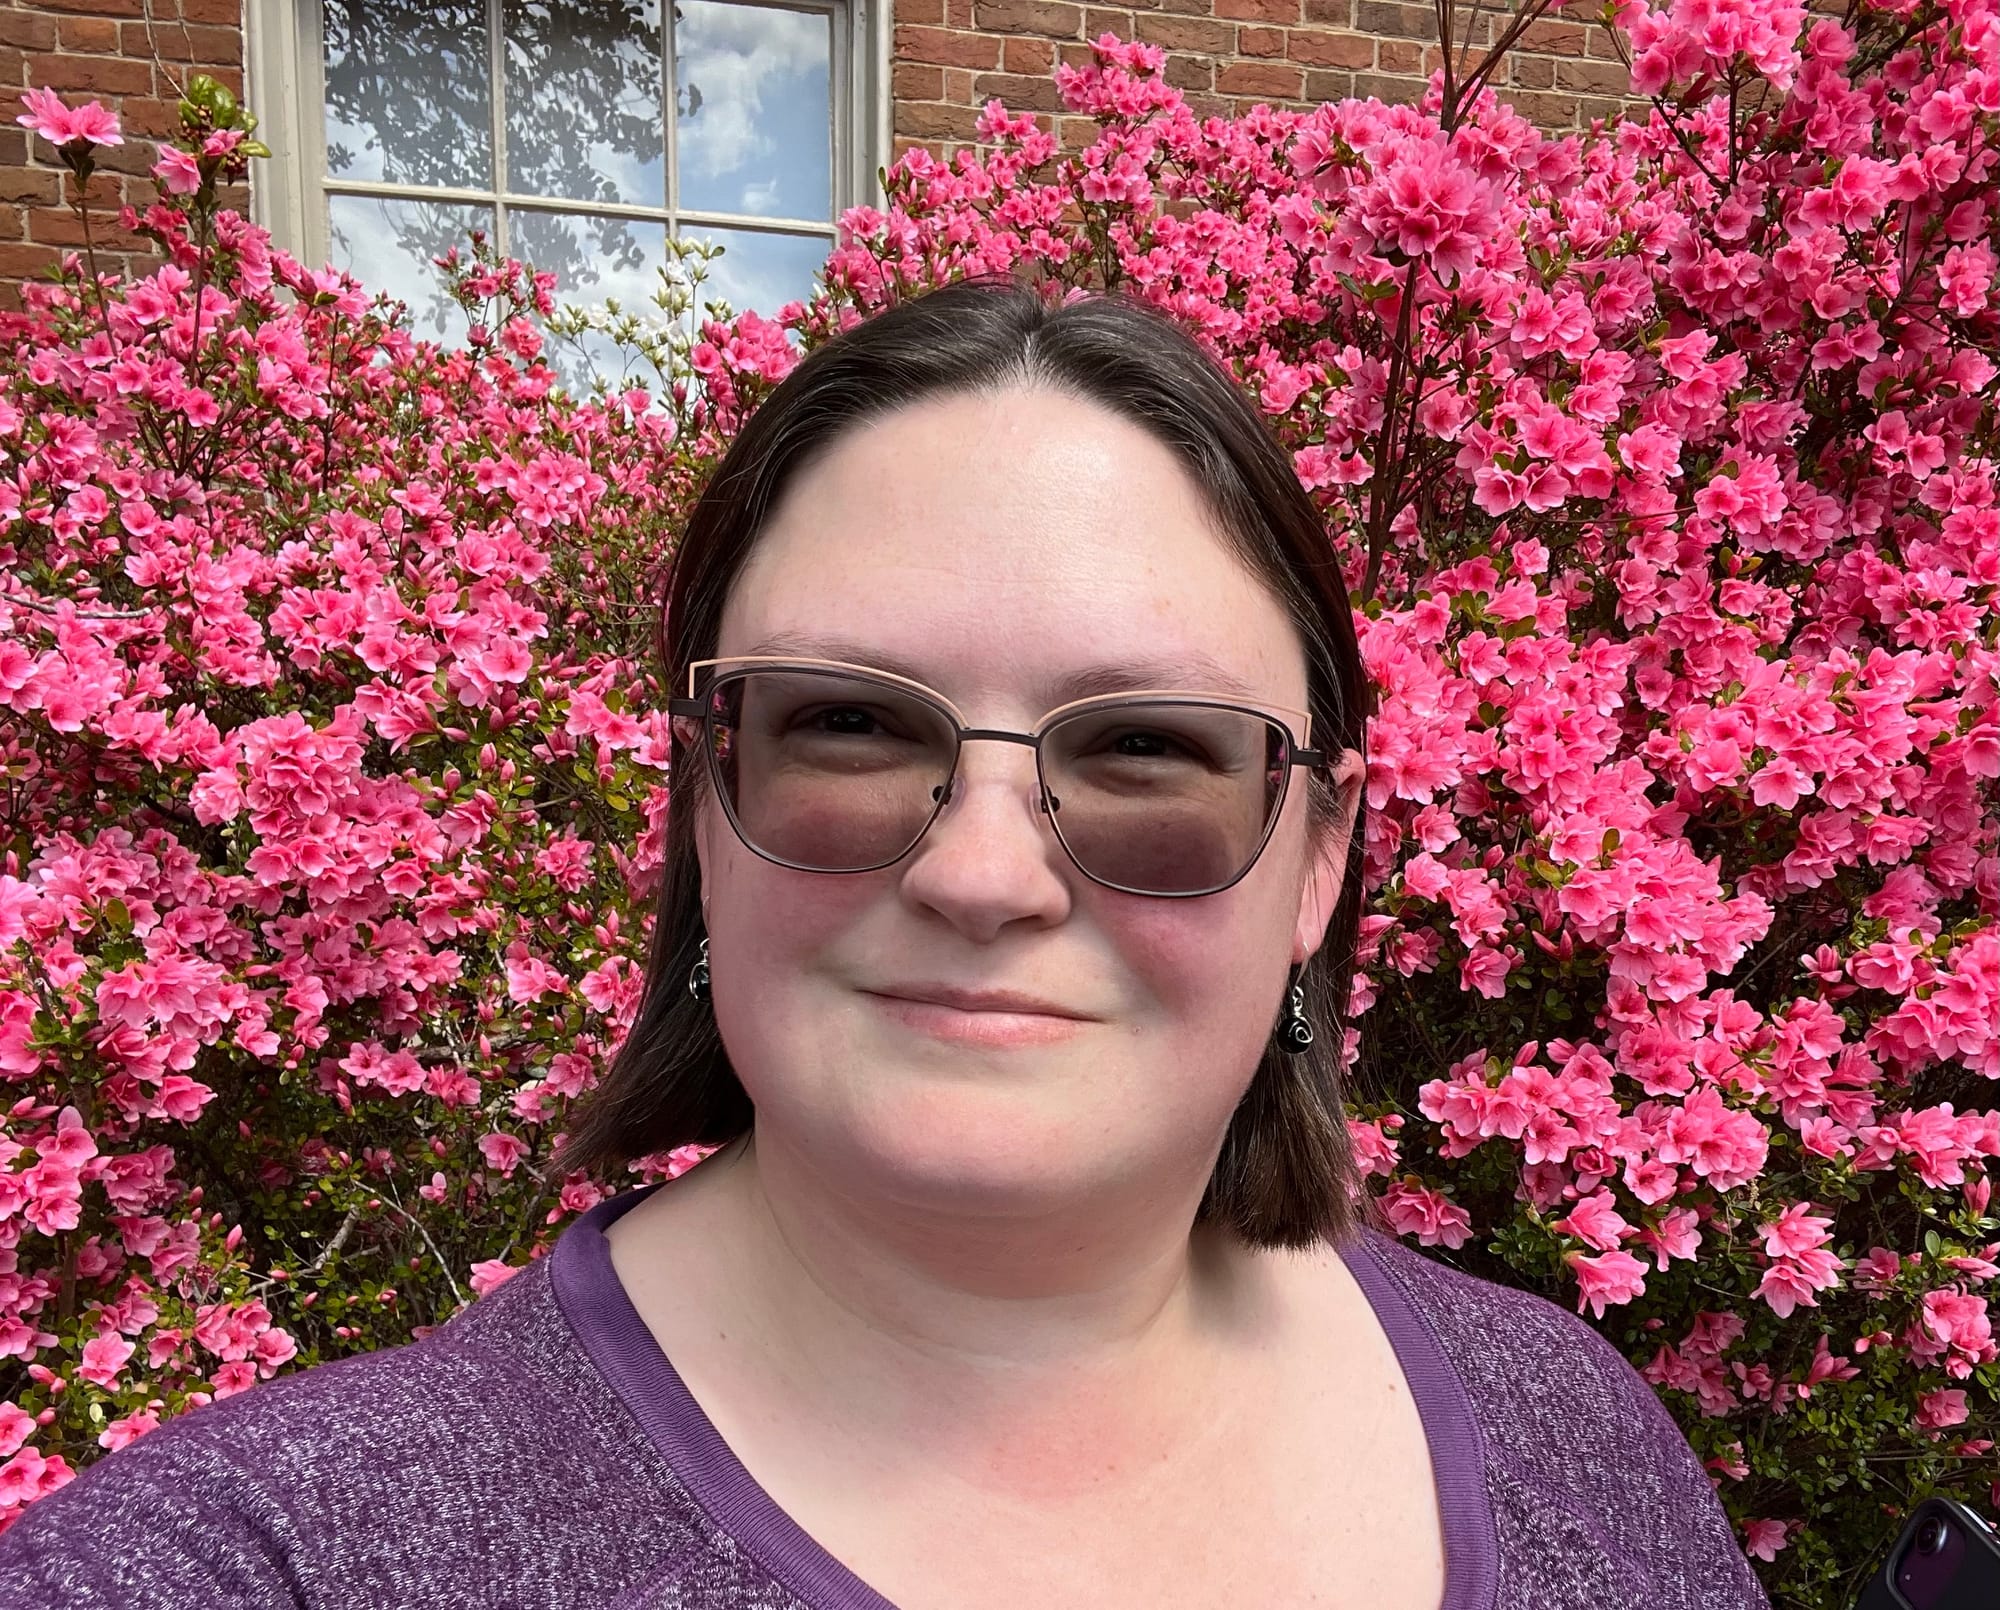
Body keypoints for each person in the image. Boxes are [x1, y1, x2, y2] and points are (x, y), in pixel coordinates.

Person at [0, 276, 1771, 1609]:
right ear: (706, 801)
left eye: (1149, 750)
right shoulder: (270, 1562)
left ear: (1317, 856)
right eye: (849, 727)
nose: (985, 873)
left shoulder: (1569, 1434)